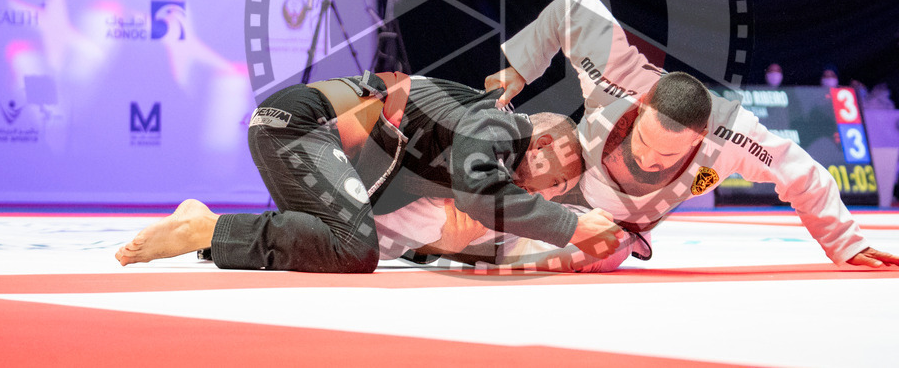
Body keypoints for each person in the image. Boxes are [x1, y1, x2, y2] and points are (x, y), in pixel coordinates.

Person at [485, 0, 899, 269]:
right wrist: (520, 68)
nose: (648, 159)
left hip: (609, 223)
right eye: (645, 142)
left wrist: (846, 244)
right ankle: (458, 196)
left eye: (667, 155)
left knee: (594, 246)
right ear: (641, 105)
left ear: (701, 137)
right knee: (520, 147)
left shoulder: (731, 137)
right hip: (567, 166)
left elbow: (800, 171)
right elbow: (574, 5)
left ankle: (467, 239)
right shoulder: (619, 79)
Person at [115, 72, 620, 272]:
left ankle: (205, 225)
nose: (553, 193)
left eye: (561, 193)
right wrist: (575, 225)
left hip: (318, 143)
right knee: (354, 248)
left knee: (340, 239)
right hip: (298, 125)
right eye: (560, 180)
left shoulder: (484, 151)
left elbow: (475, 213)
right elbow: (478, 192)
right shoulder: (497, 121)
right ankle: (204, 230)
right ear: (547, 141)